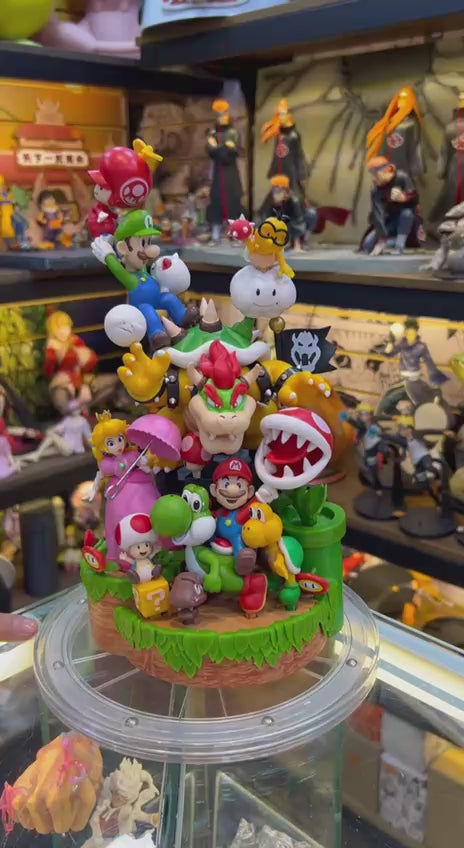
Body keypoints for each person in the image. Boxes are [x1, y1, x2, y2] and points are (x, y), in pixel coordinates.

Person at [91, 210, 199, 351]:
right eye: (143, 243)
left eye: (149, 242)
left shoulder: (143, 270)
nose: (150, 250)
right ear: (123, 248)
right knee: (148, 311)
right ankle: (156, 335)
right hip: (141, 305)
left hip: (157, 298)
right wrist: (108, 255)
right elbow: (117, 269)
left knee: (169, 298)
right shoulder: (131, 279)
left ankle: (183, 317)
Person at [361, 156, 420, 255]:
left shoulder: (402, 177)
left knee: (407, 214)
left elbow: (415, 198)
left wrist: (404, 197)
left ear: (388, 170)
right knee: (368, 245)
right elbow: (378, 215)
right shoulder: (376, 190)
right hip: (390, 221)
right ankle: (391, 243)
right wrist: (381, 239)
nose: (374, 178)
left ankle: (399, 245)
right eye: (372, 174)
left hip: (406, 221)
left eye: (376, 174)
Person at [206, 99, 243, 244]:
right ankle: (216, 234)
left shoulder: (233, 132)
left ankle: (236, 234)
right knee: (216, 201)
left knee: (232, 201)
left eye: (223, 114)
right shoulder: (213, 133)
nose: (221, 117)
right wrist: (220, 148)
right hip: (217, 173)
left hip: (230, 174)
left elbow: (230, 154)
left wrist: (217, 148)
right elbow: (210, 150)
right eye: (219, 115)